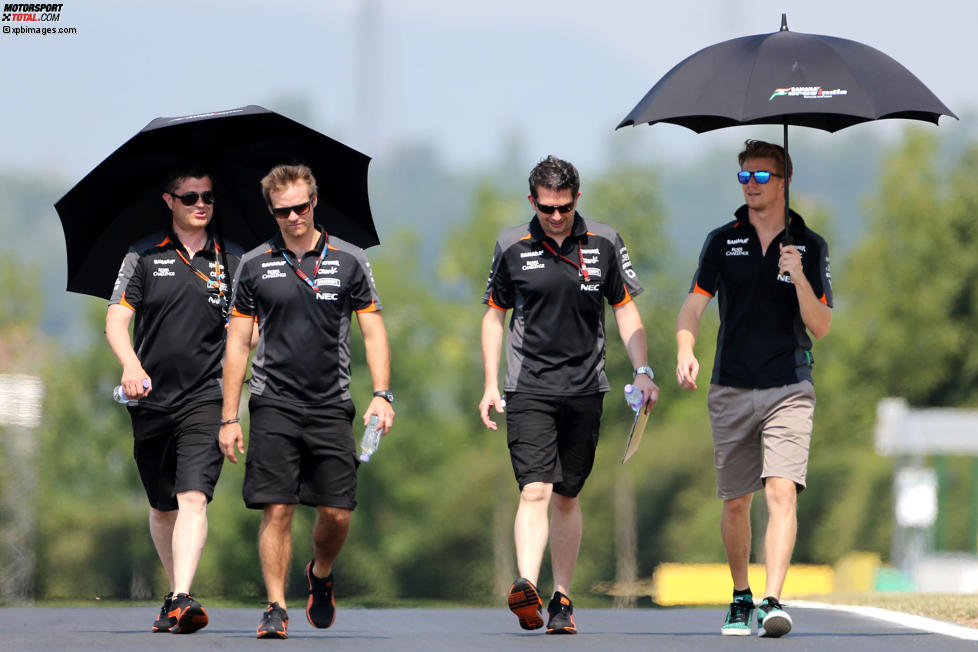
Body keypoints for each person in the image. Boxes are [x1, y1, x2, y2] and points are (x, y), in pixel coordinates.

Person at [479, 155, 659, 635]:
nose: (555, 217)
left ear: (577, 199)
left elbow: (625, 310)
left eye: (562, 207)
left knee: (566, 495)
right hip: (528, 386)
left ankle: (562, 596)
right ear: (532, 201)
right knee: (534, 488)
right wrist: (491, 382)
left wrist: (642, 370)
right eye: (545, 208)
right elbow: (494, 315)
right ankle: (526, 585)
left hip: (585, 387)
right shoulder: (511, 245)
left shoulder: (604, 241)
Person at [219, 163, 395, 640]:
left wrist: (381, 394)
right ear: (271, 211)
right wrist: (228, 417)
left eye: (300, 207)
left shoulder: (350, 259)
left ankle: (319, 573)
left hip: (331, 402)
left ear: (314, 202)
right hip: (272, 402)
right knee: (277, 508)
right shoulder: (254, 264)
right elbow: (237, 343)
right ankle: (275, 606)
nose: (293, 216)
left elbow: (372, 328)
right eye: (282, 211)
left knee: (337, 512)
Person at [675, 140, 832, 638]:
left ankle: (772, 600)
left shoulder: (809, 244)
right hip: (731, 385)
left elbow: (822, 324)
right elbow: (694, 304)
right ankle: (741, 595)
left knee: (782, 490)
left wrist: (799, 277)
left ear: (784, 181)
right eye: (744, 175)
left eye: (761, 176)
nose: (750, 184)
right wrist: (685, 347)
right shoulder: (724, 240)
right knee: (736, 500)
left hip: (789, 384)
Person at [106, 168, 242, 634]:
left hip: (207, 398)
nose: (200, 204)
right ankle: (173, 595)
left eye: (207, 195)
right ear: (170, 201)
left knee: (193, 496)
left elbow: (252, 328)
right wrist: (130, 365)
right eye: (190, 197)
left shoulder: (232, 259)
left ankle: (183, 596)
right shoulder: (142, 255)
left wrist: (244, 334)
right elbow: (116, 320)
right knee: (163, 505)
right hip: (150, 399)